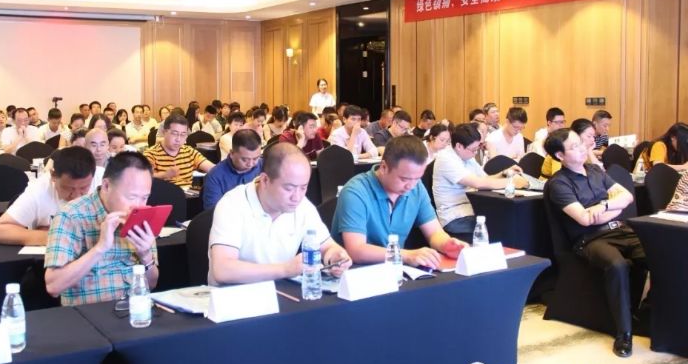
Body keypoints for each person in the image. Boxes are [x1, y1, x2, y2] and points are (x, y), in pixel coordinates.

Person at [544, 128, 647, 357]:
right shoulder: (559, 184)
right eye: (574, 147)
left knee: (657, 255)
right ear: (560, 156)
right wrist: (613, 206)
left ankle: (646, 313)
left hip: (620, 229)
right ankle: (624, 332)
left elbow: (627, 197)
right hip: (590, 238)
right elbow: (585, 219)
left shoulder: (595, 171)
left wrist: (604, 206)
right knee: (617, 265)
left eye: (581, 143)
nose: (582, 149)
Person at [208, 143, 350, 286]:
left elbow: (327, 246)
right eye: (289, 188)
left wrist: (336, 257)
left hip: (280, 292)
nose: (297, 197)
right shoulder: (232, 204)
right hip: (234, 294)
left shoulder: (302, 206)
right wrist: (286, 269)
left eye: (303, 188)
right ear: (265, 180)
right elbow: (222, 270)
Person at [333, 135, 467, 268]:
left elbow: (434, 233)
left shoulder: (417, 188)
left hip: (395, 268)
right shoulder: (356, 192)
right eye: (404, 179)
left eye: (417, 178)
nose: (411, 186)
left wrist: (446, 244)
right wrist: (407, 255)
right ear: (384, 167)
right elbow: (356, 250)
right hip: (354, 272)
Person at [44, 152, 159, 306]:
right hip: (90, 314)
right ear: (106, 186)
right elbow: (53, 286)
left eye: (144, 197)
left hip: (135, 309)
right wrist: (100, 248)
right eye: (131, 197)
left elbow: (151, 284)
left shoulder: (143, 217)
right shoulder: (71, 216)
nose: (138, 205)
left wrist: (146, 256)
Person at [433, 123, 527, 241]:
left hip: (471, 209)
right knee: (500, 224)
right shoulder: (446, 159)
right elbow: (478, 184)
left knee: (506, 218)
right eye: (473, 150)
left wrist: (505, 173)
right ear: (459, 146)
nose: (475, 153)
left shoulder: (466, 155)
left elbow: (484, 179)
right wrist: (511, 182)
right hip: (454, 216)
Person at [0, 147, 96, 246]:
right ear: (53, 175)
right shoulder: (38, 190)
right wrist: (56, 236)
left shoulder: (102, 184)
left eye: (83, 188)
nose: (76, 196)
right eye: (68, 188)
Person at [144, 114, 214, 187]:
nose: (178, 139)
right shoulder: (151, 154)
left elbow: (213, 169)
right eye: (174, 134)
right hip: (164, 193)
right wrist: (164, 175)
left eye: (183, 134)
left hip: (188, 192)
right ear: (164, 132)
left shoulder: (189, 151)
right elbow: (144, 178)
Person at [203, 129, 262, 210]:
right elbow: (213, 212)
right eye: (245, 159)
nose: (250, 164)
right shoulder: (215, 176)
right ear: (232, 153)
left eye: (255, 158)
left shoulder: (264, 166)